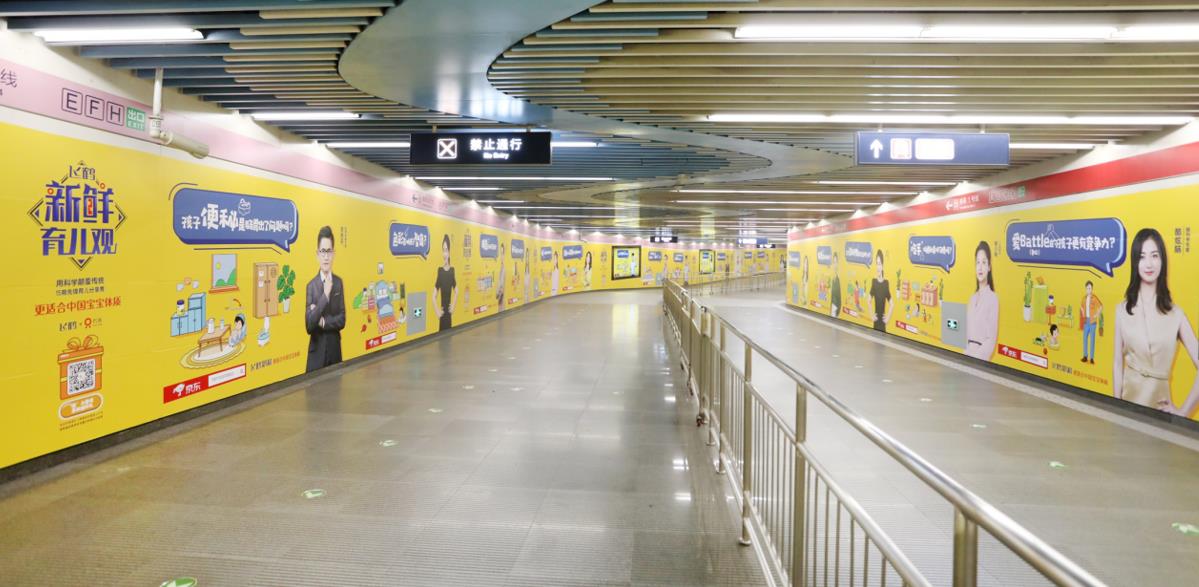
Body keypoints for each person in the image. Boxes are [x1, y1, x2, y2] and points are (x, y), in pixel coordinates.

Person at [1113, 228, 1199, 416]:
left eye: (1154, 255)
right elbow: (1117, 363)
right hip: (1127, 406)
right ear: (1135, 262)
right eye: (1142, 257)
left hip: (1160, 410)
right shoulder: (1122, 310)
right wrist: (1115, 406)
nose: (1149, 264)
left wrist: (1183, 413)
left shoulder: (1176, 315)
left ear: (1162, 261)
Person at [305, 225, 346, 372]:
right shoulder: (311, 286)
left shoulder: (339, 283)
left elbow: (342, 319)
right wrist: (325, 295)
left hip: (335, 352)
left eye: (329, 251)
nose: (326, 257)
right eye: (323, 251)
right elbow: (309, 325)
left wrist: (323, 322)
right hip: (316, 355)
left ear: (333, 253)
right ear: (317, 254)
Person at [965, 241, 999, 361]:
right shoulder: (972, 298)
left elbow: (991, 339)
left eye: (984, 262)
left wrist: (976, 357)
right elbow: (966, 333)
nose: (980, 267)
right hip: (967, 356)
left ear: (989, 267)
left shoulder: (993, 298)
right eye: (977, 262)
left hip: (980, 359)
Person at [434, 233, 457, 332]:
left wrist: (453, 305)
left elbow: (457, 291)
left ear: (449, 252)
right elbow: (433, 296)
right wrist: (437, 311)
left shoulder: (452, 270)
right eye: (443, 250)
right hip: (442, 313)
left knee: (449, 333)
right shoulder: (440, 271)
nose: (444, 253)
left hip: (449, 313)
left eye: (446, 250)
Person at [1079, 280, 1102, 364]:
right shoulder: (1084, 298)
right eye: (1087, 288)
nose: (1089, 290)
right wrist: (1083, 313)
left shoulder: (1094, 298)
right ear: (1085, 289)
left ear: (1092, 289)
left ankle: (1091, 358)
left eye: (1090, 288)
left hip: (1093, 322)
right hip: (1086, 321)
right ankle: (1085, 356)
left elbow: (1100, 306)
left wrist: (1097, 314)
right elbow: (1081, 307)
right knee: (1085, 338)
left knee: (1092, 340)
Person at [869, 250, 892, 332]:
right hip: (875, 321)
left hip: (883, 323)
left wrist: (887, 318)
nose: (878, 267)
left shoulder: (886, 283)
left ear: (882, 265)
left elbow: (892, 304)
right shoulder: (874, 282)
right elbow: (868, 301)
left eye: (879, 264)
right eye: (877, 263)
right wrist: (872, 315)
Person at [829, 252, 842, 317]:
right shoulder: (832, 278)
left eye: (836, 262)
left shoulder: (839, 279)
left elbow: (839, 298)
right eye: (834, 262)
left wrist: (837, 310)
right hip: (832, 307)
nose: (835, 264)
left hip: (836, 308)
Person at [496, 242, 507, 311]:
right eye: (500, 253)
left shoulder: (504, 270)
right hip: (497, 298)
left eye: (502, 253)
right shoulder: (496, 268)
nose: (501, 256)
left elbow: (503, 287)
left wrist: (501, 291)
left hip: (501, 300)